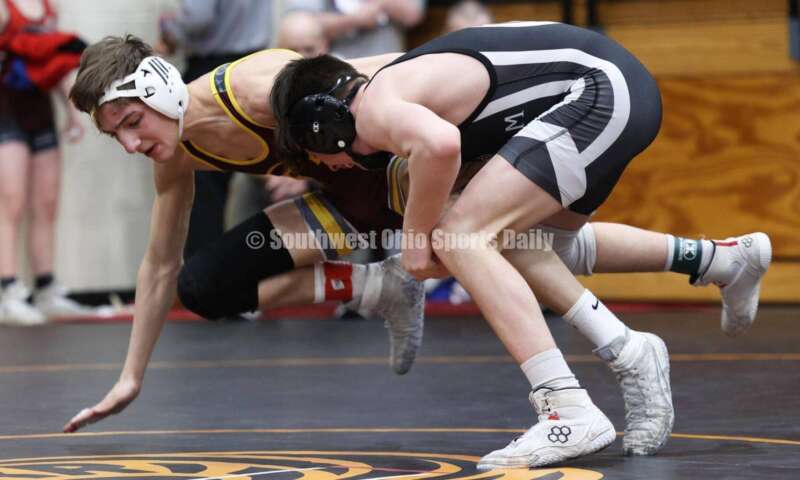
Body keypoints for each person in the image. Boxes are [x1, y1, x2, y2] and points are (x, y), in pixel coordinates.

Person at [270, 21, 771, 467]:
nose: (325, 166)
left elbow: (440, 146)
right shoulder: (401, 88)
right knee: (536, 245)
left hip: (598, 91)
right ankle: (719, 261)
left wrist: (416, 241)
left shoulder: (375, 108)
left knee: (461, 235)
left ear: (323, 123)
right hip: (608, 87)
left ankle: (566, 406)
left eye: (313, 153)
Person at [61, 36, 424, 433]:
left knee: (474, 248)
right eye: (116, 135)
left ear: (160, 85)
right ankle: (383, 285)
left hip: (409, 180)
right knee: (201, 288)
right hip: (350, 209)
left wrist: (469, 76)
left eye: (132, 123)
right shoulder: (177, 156)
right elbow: (160, 264)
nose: (130, 145)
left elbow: (383, 71)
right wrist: (130, 379)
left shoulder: (251, 88)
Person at [157, 0, 274, 262]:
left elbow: (198, 18)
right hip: (256, 66)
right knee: (268, 171)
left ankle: (203, 275)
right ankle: (265, 272)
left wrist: (169, 27)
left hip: (215, 72)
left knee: (204, 185)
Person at [0, 0, 94, 325]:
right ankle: (8, 291)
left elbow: (56, 65)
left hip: (40, 114)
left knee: (46, 204)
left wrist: (72, 112)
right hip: (6, 113)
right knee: (11, 204)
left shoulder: (48, 9)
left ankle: (46, 288)